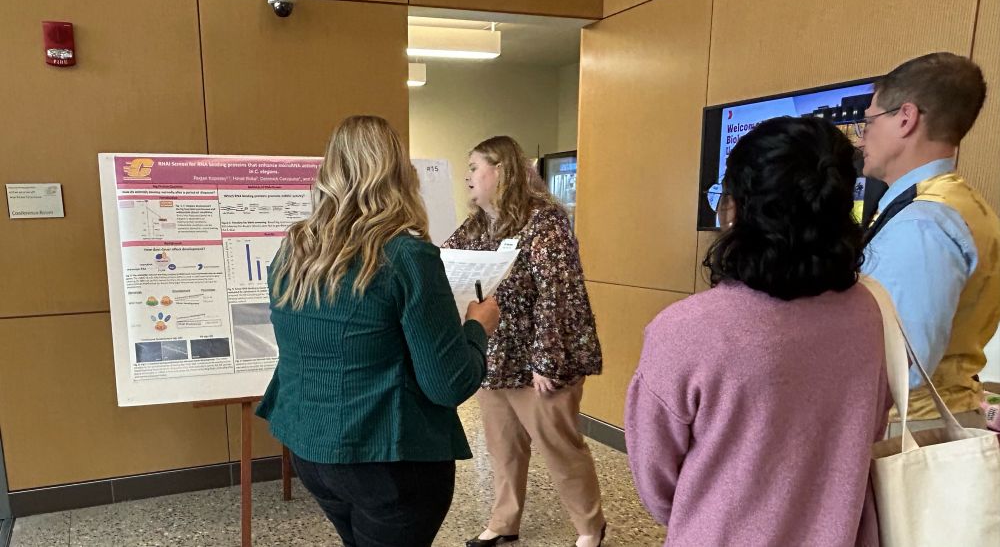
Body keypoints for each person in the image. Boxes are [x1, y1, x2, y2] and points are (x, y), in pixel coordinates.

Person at [626, 117, 890, 546]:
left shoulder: (684, 330)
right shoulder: (868, 311)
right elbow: (871, 427)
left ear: (734, 207)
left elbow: (657, 482)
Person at [256, 115, 500, 547]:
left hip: (311, 451)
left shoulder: (294, 250)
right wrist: (478, 327)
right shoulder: (407, 256)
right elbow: (449, 384)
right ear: (399, 175)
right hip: (388, 460)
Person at [443, 136, 605, 547]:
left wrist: (548, 361)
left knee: (559, 447)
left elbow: (559, 293)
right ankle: (504, 521)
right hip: (495, 357)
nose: (468, 176)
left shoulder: (544, 221)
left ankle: (590, 527)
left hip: (539, 359)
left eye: (476, 166)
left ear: (502, 170)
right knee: (502, 448)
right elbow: (443, 261)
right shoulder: (479, 224)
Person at [859, 52, 1000, 434]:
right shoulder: (958, 204)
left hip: (910, 428)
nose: (862, 135)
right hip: (933, 419)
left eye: (869, 121)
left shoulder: (922, 224)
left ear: (905, 118)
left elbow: (899, 365)